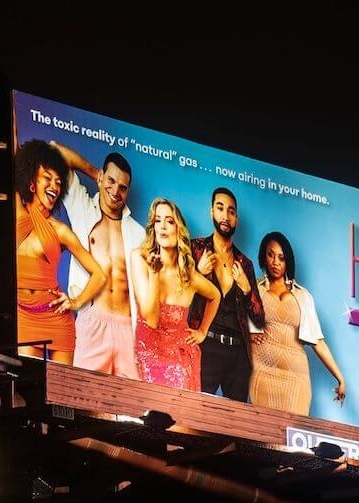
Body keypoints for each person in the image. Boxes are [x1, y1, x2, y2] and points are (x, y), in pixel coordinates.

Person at [49, 144, 146, 378]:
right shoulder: (82, 207)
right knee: (86, 399)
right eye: (111, 181)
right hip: (92, 321)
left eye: (123, 187)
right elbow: (54, 151)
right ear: (102, 179)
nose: (116, 191)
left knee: (133, 410)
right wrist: (93, 172)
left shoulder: (139, 232)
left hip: (128, 327)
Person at [12, 140, 107, 364]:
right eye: (48, 178)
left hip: (56, 319)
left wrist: (75, 302)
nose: (55, 185)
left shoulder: (61, 230)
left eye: (58, 181)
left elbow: (99, 275)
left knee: (60, 394)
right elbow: (24, 150)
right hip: (24, 315)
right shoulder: (18, 211)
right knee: (26, 386)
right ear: (33, 182)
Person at [248, 231, 347, 414]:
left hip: (296, 378)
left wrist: (340, 378)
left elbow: (318, 342)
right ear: (263, 256)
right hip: (262, 372)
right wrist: (249, 332)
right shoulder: (254, 289)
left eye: (281, 257)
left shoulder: (303, 295)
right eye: (270, 255)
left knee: (292, 438)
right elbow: (239, 323)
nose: (275, 262)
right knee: (262, 433)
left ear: (288, 261)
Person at [128, 199, 220, 390]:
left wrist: (202, 331)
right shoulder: (140, 258)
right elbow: (151, 320)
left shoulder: (189, 276)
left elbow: (215, 296)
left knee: (179, 398)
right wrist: (154, 274)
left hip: (180, 356)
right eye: (157, 220)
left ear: (179, 229)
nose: (162, 226)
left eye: (169, 221)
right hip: (148, 353)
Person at [191, 188, 265, 399]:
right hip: (206, 345)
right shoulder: (196, 249)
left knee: (237, 424)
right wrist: (198, 273)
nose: (225, 215)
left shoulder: (245, 264)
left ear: (236, 219)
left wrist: (247, 288)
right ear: (211, 211)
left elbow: (259, 318)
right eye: (220, 208)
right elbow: (178, 293)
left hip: (237, 354)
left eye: (231, 211)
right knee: (196, 416)